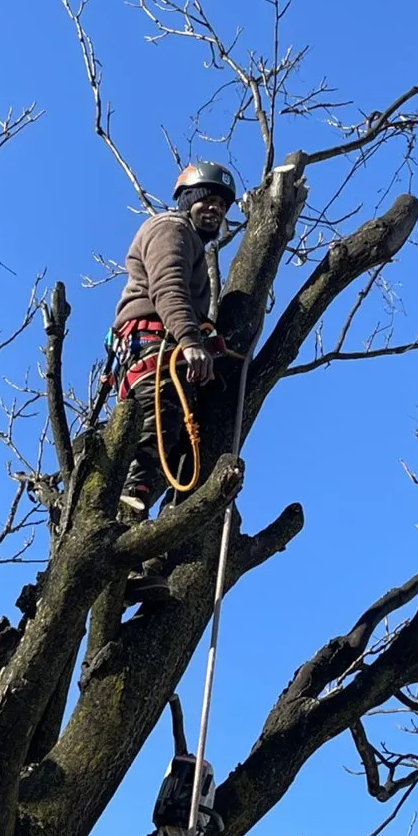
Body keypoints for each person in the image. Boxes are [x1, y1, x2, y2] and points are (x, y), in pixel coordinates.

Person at [112, 160, 236, 599]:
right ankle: (122, 554)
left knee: (180, 458)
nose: (214, 209)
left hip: (166, 357)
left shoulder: (194, 247)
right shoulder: (170, 228)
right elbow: (167, 286)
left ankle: (149, 558)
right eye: (206, 198)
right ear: (186, 197)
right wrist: (189, 339)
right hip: (156, 353)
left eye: (221, 205)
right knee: (152, 447)